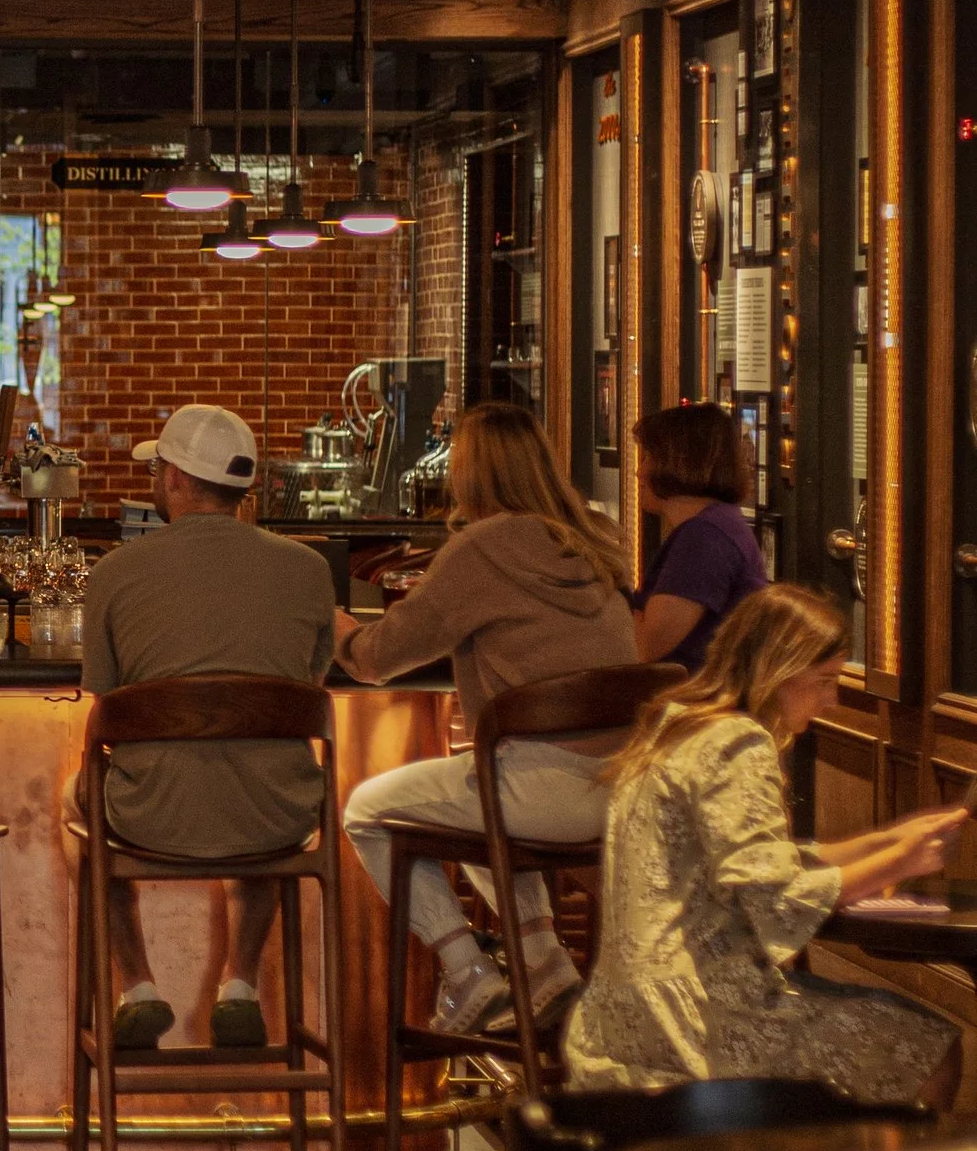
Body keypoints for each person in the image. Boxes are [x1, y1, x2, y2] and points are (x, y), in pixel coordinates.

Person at [568, 584, 962, 1106]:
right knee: (932, 1050)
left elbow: (762, 861)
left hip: (621, 1010)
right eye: (823, 681)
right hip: (699, 1017)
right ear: (776, 670)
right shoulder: (738, 743)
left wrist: (889, 838)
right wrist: (901, 859)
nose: (832, 700)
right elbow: (774, 896)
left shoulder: (680, 727)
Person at [336, 399, 639, 1035]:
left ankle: (468, 975)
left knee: (367, 811)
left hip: (535, 791)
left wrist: (338, 631)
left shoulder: (480, 549)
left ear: (473, 475)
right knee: (471, 790)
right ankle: (544, 964)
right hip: (619, 789)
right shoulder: (594, 543)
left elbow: (379, 659)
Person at [79, 404, 337, 1056]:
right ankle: (240, 986)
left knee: (75, 799)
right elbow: (308, 680)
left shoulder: (113, 573)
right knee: (260, 773)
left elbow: (103, 703)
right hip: (278, 814)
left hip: (150, 817)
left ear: (172, 478)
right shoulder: (310, 571)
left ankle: (137, 988)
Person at [630, 400, 767, 670]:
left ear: (677, 461)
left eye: (646, 457)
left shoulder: (705, 537)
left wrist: (613, 580)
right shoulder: (714, 526)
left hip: (704, 705)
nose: (638, 471)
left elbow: (645, 646)